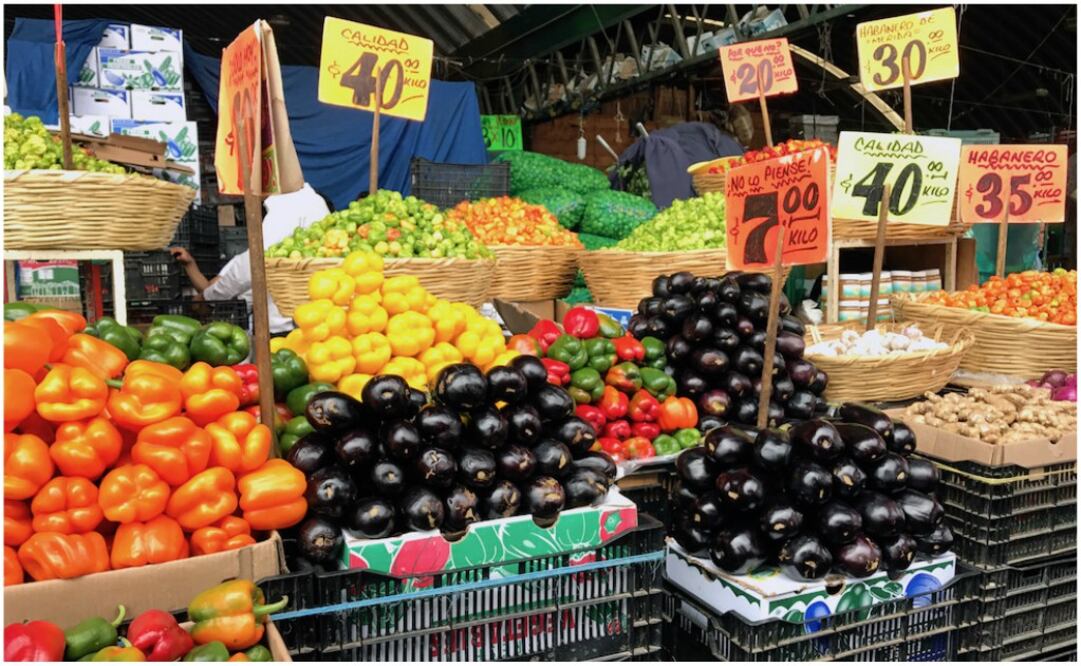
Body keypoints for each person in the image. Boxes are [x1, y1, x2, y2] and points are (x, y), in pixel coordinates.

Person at [171, 183, 333, 334]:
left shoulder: (291, 203)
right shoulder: (310, 203)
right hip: (305, 320)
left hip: (285, 325)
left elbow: (253, 264)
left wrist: (208, 297)